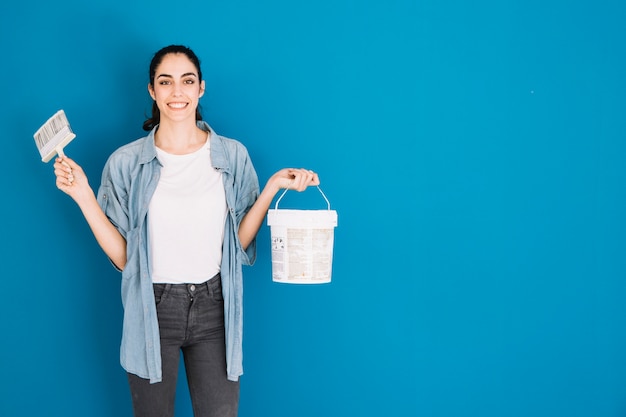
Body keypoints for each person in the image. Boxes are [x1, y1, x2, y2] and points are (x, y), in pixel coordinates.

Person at [53, 44, 319, 417]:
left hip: (215, 307)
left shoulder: (232, 156)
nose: (177, 92)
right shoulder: (125, 163)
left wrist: (273, 186)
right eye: (166, 82)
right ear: (152, 91)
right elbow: (124, 257)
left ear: (201, 88)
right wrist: (83, 195)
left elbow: (238, 246)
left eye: (187, 81)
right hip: (152, 307)